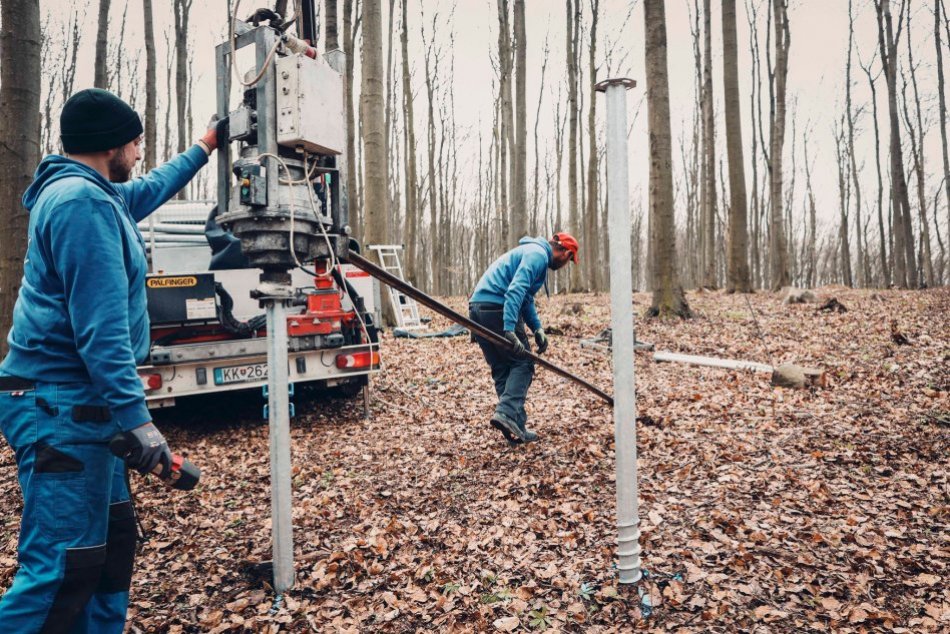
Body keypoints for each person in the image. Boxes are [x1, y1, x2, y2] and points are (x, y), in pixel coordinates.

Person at [0, 88, 224, 632]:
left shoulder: (98, 195)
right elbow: (100, 332)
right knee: (64, 569)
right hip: (60, 409)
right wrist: (140, 422)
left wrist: (204, 146)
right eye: (136, 141)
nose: (140, 152)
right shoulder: (81, 205)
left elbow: (147, 190)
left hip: (83, 410)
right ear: (111, 145)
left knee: (108, 554)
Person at [469, 233, 579, 445]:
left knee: (502, 367)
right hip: (497, 308)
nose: (567, 264)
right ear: (565, 253)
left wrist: (537, 328)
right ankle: (507, 413)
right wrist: (509, 327)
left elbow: (526, 298)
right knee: (523, 363)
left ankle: (514, 425)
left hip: (477, 308)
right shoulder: (537, 255)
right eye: (569, 260)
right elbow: (516, 290)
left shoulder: (532, 252)